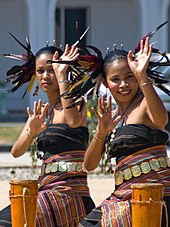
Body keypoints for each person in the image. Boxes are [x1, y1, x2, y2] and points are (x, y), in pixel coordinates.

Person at [0, 42, 95, 226]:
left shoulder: (76, 101)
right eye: (40, 71)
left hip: (69, 192)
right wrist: (32, 131)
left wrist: (62, 76)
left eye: (51, 70)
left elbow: (73, 121)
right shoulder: (41, 111)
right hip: (46, 189)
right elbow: (16, 152)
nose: (45, 76)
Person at [79, 37, 170, 226]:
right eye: (115, 79)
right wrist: (101, 131)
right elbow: (88, 165)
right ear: (105, 82)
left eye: (129, 76)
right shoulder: (111, 117)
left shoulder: (145, 102)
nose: (123, 85)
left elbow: (162, 120)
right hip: (122, 195)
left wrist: (143, 76)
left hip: (155, 194)